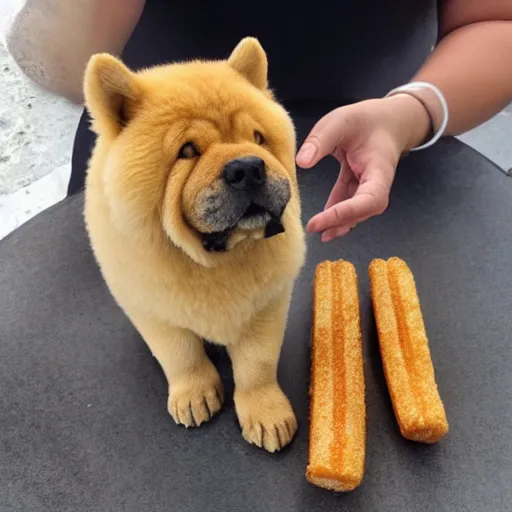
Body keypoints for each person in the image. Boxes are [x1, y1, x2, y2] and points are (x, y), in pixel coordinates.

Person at [7, 0, 512, 242]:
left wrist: (412, 111)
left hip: (380, 166)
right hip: (154, 180)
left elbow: (494, 21)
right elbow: (60, 64)